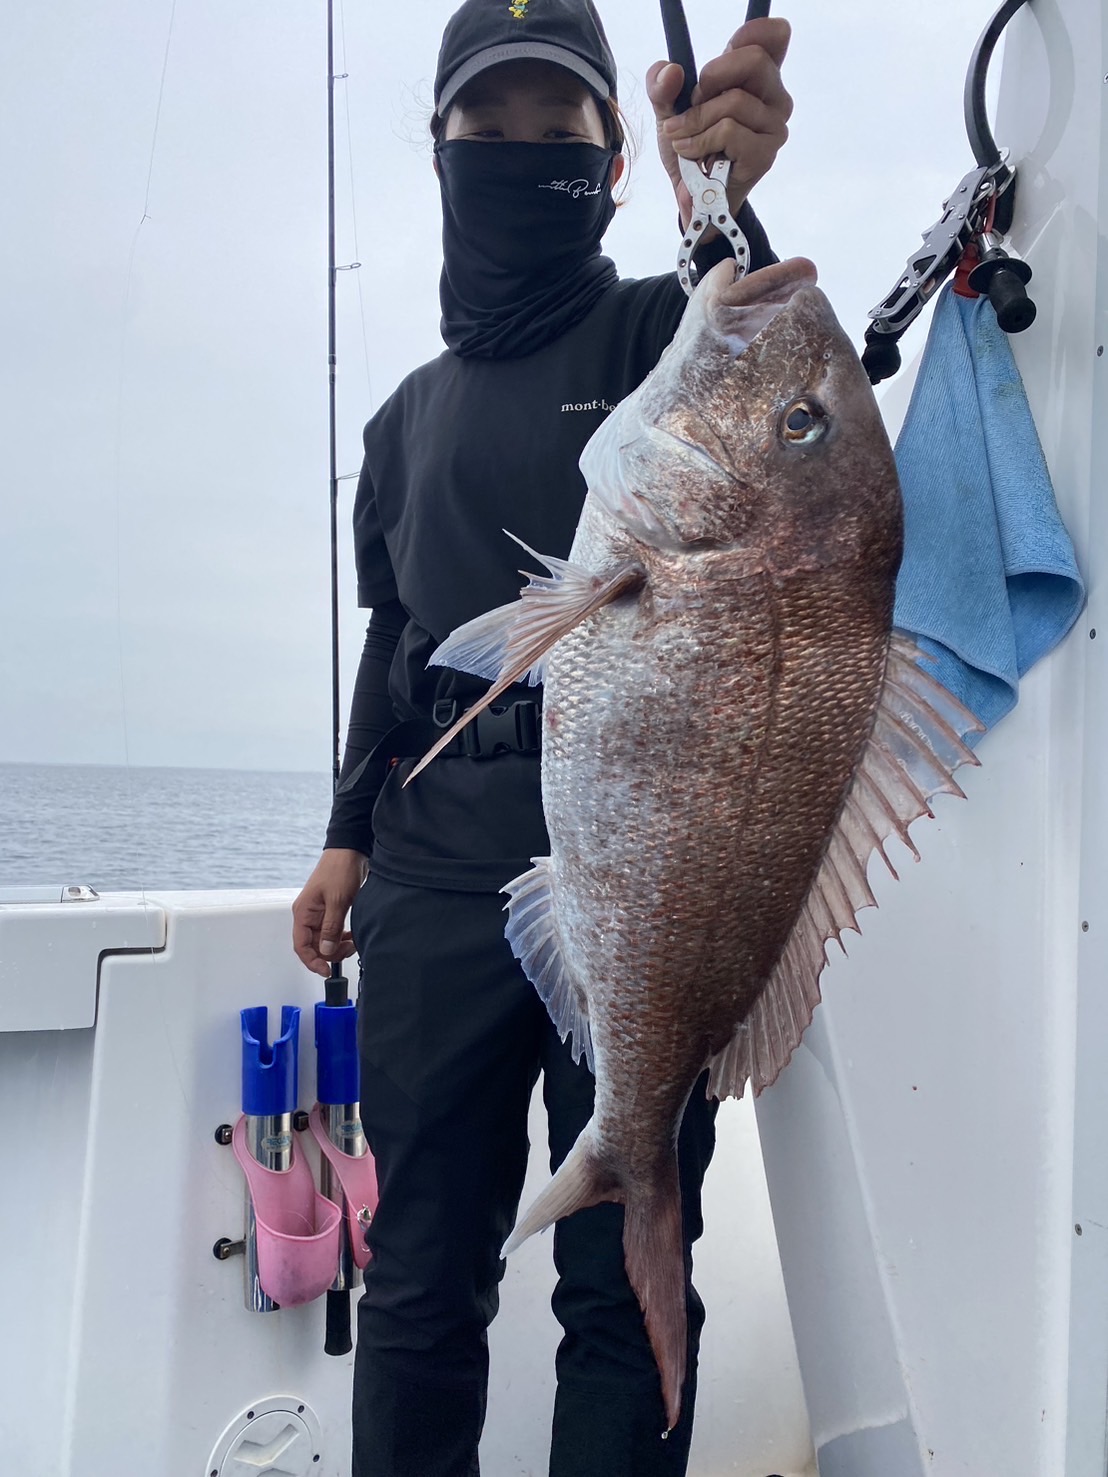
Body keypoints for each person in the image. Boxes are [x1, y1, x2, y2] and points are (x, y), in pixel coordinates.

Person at [292, 2, 792, 1472]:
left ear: (616, 157)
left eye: (558, 127)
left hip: (646, 868)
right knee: (420, 1276)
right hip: (433, 877)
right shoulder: (401, 422)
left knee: (621, 1292)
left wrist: (726, 198)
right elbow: (395, 641)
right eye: (488, 125)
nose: (522, 151)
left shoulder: (656, 333)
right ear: (442, 151)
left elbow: (760, 372)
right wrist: (344, 837)